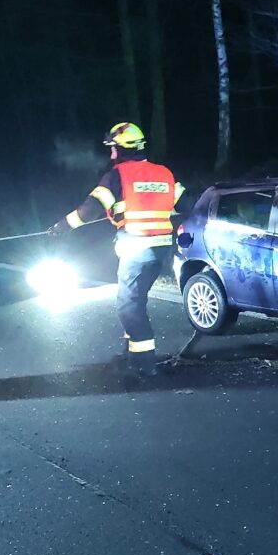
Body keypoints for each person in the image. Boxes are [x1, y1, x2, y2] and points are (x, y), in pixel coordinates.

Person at [49, 123, 184, 378]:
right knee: (136, 299)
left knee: (128, 305)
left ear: (122, 149)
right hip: (162, 248)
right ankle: (131, 352)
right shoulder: (164, 172)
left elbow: (89, 210)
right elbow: (182, 204)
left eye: (113, 149)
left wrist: (61, 227)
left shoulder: (117, 176)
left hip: (137, 247)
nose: (111, 155)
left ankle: (144, 364)